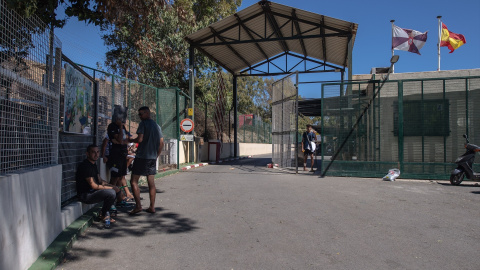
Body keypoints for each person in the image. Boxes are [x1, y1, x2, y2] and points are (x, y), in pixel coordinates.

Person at [128, 106, 164, 214]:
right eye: (139, 114)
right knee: (151, 182)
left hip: (141, 157)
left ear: (147, 113)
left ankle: (138, 206)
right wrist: (156, 155)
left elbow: (140, 139)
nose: (139, 116)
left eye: (141, 114)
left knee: (133, 181)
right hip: (152, 158)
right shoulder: (157, 126)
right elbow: (161, 143)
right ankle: (152, 207)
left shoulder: (143, 124)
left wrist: (130, 140)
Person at [76, 144, 122, 224]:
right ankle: (104, 215)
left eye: (97, 152)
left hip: (93, 192)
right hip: (86, 195)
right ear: (87, 154)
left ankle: (105, 211)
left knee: (117, 190)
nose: (96, 154)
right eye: (93, 152)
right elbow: (94, 185)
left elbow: (100, 180)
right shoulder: (86, 166)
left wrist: (113, 186)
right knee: (111, 193)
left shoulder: (93, 164)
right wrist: (111, 189)